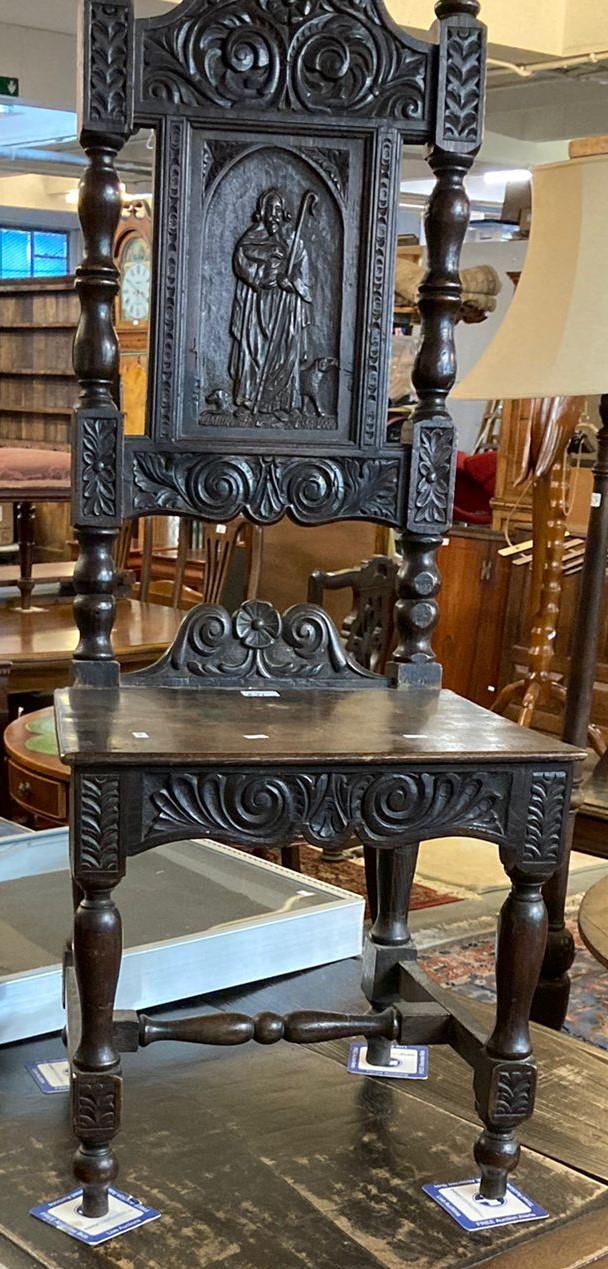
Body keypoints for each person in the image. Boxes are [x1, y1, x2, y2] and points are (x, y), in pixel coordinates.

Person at [229, 188, 312, 418]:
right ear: (261, 212)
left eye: (278, 210)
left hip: (285, 306)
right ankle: (250, 400)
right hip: (257, 306)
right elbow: (242, 261)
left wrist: (291, 281)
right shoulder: (250, 240)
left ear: (284, 213)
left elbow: (304, 275)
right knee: (254, 349)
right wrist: (263, 275)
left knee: (285, 351)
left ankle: (281, 404)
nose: (273, 215)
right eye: (269, 209)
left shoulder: (294, 242)